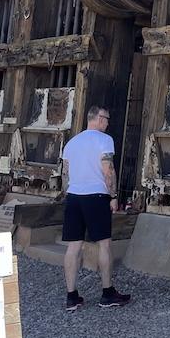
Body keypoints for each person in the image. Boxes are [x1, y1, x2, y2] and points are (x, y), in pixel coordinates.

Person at [61, 105, 130, 311]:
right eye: (107, 118)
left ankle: (71, 296)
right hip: (96, 195)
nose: (108, 123)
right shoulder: (104, 140)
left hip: (74, 196)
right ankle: (107, 293)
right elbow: (108, 170)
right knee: (104, 244)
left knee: (73, 246)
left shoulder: (72, 142)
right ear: (98, 119)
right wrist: (114, 195)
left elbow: (65, 173)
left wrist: (69, 193)